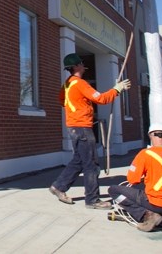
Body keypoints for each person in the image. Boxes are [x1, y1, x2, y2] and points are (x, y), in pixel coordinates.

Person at [49, 53, 131, 209]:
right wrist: (117, 90)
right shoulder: (80, 83)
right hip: (82, 127)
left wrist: (78, 107)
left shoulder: (67, 84)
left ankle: (59, 186)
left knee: (79, 160)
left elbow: (62, 101)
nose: (83, 65)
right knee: (91, 164)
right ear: (76, 66)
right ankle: (92, 200)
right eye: (81, 63)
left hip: (74, 126)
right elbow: (101, 99)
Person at [108, 125, 162, 233]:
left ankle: (147, 215)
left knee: (113, 190)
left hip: (155, 203)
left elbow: (132, 180)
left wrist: (146, 178)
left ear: (150, 136)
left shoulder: (145, 154)